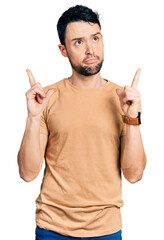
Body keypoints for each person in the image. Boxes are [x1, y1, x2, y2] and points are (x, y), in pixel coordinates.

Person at [17, 4, 147, 240]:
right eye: (78, 42)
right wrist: (33, 117)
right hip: (52, 228)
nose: (90, 49)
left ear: (103, 40)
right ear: (63, 50)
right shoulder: (47, 98)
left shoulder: (124, 99)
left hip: (106, 229)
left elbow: (134, 174)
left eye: (95, 38)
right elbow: (27, 173)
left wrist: (132, 118)